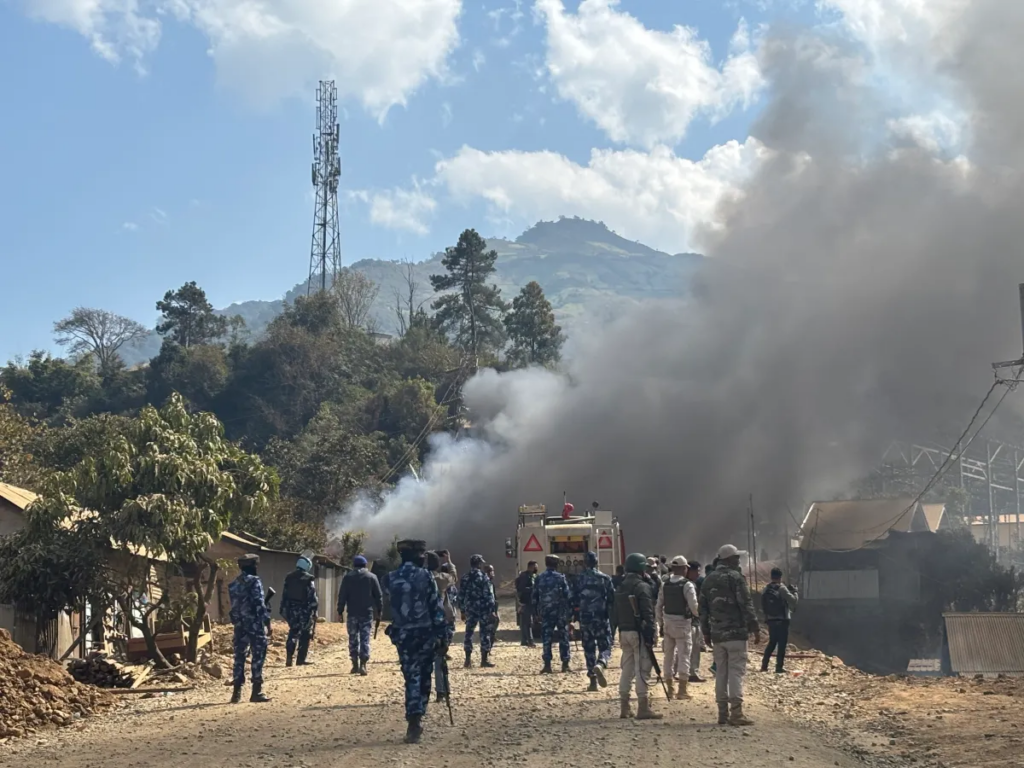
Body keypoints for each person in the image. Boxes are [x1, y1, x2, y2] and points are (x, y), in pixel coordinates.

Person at [387, 539, 448, 744]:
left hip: (403, 636)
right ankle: (418, 714)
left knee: (410, 675)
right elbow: (436, 607)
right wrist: (442, 636)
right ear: (416, 556)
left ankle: (414, 719)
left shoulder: (391, 578)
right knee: (424, 675)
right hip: (425, 634)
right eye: (421, 555)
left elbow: (390, 607)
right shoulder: (426, 576)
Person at [699, 544, 760, 727]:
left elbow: (703, 609)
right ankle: (736, 713)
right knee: (736, 672)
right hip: (736, 634)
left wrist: (706, 633)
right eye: (735, 557)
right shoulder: (735, 578)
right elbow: (746, 603)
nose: (738, 560)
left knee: (721, 674)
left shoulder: (708, 580)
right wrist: (754, 627)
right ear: (728, 559)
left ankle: (722, 713)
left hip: (718, 635)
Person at [612, 552, 662, 720]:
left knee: (627, 669)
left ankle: (624, 707)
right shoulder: (641, 587)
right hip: (638, 633)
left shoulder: (621, 586)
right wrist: (650, 635)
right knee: (642, 670)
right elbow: (648, 613)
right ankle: (643, 707)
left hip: (624, 631)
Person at [228, 553, 271, 704]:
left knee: (239, 657)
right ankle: (256, 691)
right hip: (254, 624)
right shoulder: (254, 581)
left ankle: (236, 693)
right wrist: (267, 621)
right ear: (253, 566)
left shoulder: (233, 584)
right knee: (258, 655)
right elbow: (259, 603)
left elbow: (233, 608)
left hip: (240, 626)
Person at [656, 555, 698, 700]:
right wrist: (699, 617)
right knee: (684, 656)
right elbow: (694, 607)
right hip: (683, 625)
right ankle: (682, 691)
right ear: (684, 568)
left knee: (668, 656)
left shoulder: (664, 584)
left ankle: (669, 689)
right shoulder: (688, 585)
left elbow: (658, 606)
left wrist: (661, 624)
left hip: (668, 624)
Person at [572, 551, 614, 691]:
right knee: (605, 646)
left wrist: (574, 616)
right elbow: (612, 599)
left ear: (584, 563)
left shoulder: (579, 579)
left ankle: (592, 682)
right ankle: (601, 663)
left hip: (585, 619)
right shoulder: (605, 579)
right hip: (601, 618)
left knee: (589, 648)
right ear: (597, 562)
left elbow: (573, 599)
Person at [337, 554, 384, 675]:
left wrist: (340, 611)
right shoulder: (372, 577)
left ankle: (354, 664)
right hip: (366, 613)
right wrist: (379, 611)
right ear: (364, 565)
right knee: (365, 638)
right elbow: (378, 596)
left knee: (353, 638)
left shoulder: (348, 577)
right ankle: (363, 664)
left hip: (352, 613)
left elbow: (342, 595)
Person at [533, 554, 572, 674]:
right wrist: (569, 613)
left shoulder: (539, 578)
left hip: (546, 613)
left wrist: (536, 612)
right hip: (560, 613)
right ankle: (565, 665)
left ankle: (547, 665)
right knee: (563, 638)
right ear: (556, 564)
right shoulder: (560, 578)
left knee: (546, 638)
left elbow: (534, 597)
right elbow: (567, 595)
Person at [458, 554, 498, 668]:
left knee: (469, 633)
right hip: (483, 609)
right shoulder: (484, 577)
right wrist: (491, 610)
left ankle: (467, 660)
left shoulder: (465, 577)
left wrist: (462, 610)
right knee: (484, 633)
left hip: (470, 608)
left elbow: (461, 595)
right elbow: (489, 595)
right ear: (479, 564)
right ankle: (484, 660)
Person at [427, 551, 456, 703]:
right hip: (438, 623)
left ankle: (422, 695)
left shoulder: (416, 579)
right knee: (439, 659)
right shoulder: (441, 579)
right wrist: (449, 560)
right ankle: (441, 690)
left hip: (421, 624)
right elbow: (453, 576)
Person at [280, 554, 318, 667]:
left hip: (291, 610)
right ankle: (300, 659)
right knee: (305, 634)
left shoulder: (289, 577)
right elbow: (313, 596)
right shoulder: (308, 579)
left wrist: (284, 609)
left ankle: (288, 658)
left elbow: (284, 595)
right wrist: (314, 610)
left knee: (293, 632)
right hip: (304, 610)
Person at [761, 567, 798, 674]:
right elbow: (793, 601)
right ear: (780, 577)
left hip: (770, 619)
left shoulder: (765, 589)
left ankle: (764, 666)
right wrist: (795, 592)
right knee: (782, 644)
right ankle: (779, 667)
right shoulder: (781, 588)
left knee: (772, 642)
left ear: (771, 576)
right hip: (783, 619)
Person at [686, 561, 706, 683]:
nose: (698, 573)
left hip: (685, 621)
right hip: (691, 621)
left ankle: (682, 672)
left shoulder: (683, 583)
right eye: (696, 571)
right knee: (693, 648)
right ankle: (692, 672)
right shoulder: (689, 585)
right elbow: (694, 606)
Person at [515, 561, 539, 646]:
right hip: (525, 601)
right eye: (535, 567)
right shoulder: (524, 576)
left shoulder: (533, 576)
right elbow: (521, 589)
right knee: (527, 622)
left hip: (531, 601)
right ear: (530, 567)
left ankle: (524, 641)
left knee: (526, 622)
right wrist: (532, 589)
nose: (536, 568)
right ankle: (530, 641)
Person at [482, 563, 500, 652]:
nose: (493, 573)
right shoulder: (486, 582)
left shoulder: (489, 582)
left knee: (494, 626)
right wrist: (492, 611)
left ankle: (489, 647)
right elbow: (488, 597)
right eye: (492, 571)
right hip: (488, 610)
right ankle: (487, 649)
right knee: (489, 630)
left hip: (493, 607)